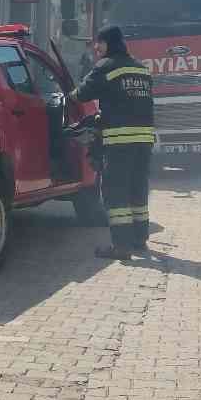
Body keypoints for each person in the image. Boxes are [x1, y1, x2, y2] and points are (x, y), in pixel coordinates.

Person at [73, 24, 155, 261]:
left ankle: (121, 246)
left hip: (120, 139)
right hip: (144, 139)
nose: (96, 48)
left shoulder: (106, 66)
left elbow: (83, 94)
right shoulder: (141, 69)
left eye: (98, 43)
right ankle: (139, 240)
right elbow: (132, 101)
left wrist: (69, 96)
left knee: (115, 191)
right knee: (137, 188)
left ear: (108, 43)